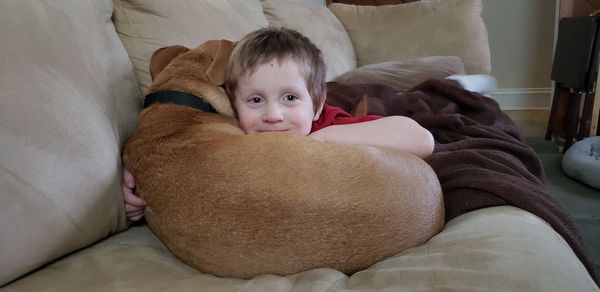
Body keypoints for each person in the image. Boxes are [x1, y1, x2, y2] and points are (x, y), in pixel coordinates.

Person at [123, 27, 434, 221]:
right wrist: (142, 186)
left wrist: (320, 141)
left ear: (316, 106)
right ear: (234, 105)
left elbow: (421, 139)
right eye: (256, 100)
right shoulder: (237, 135)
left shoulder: (327, 124)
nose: (273, 115)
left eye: (289, 98)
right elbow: (186, 160)